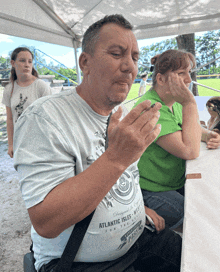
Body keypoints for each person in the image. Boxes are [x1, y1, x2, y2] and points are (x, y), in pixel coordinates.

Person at [13, 15, 182, 272]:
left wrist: (139, 208)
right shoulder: (44, 117)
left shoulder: (119, 114)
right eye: (117, 53)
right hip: (80, 262)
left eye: (135, 58)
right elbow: (46, 222)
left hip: (140, 239)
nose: (129, 67)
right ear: (85, 62)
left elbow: (124, 179)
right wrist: (116, 158)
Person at [133, 50, 220, 232]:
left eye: (189, 72)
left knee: (211, 200)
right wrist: (190, 103)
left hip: (175, 181)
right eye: (181, 74)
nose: (189, 79)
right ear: (161, 79)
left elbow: (187, 129)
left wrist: (207, 135)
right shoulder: (151, 108)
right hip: (152, 190)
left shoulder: (174, 102)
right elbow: (189, 151)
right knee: (198, 221)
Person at [1, 47, 52, 158]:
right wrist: (10, 144)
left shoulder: (41, 86)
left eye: (30, 61)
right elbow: (9, 120)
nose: (27, 64)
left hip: (41, 143)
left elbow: (51, 117)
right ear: (13, 63)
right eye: (22, 60)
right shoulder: (9, 89)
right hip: (20, 143)